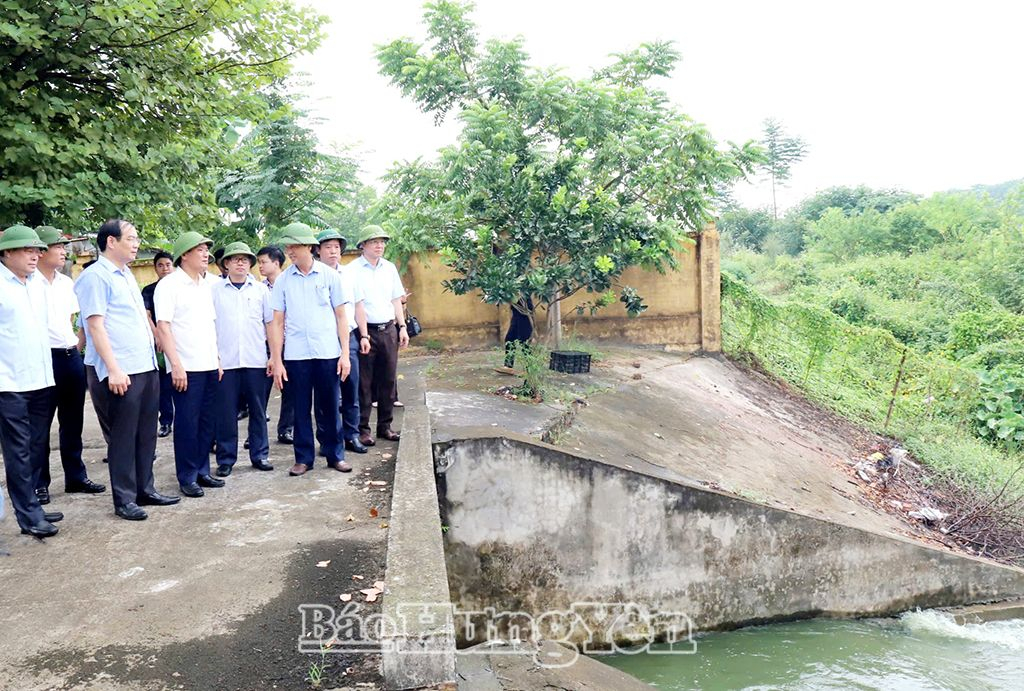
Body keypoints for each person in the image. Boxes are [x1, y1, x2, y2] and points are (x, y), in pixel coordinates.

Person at [75, 219, 180, 521]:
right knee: (122, 437)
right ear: (111, 241)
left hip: (144, 365)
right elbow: (95, 325)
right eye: (131, 238)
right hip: (120, 369)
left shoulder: (125, 275)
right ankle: (124, 498)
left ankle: (145, 489)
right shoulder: (96, 276)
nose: (136, 243)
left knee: (146, 432)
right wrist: (114, 368)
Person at [268, 223, 352, 476]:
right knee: (300, 408)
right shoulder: (283, 280)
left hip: (327, 353)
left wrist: (345, 354)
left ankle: (335, 454)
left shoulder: (330, 277)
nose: (290, 251)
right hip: (296, 356)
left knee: (329, 406)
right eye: (288, 246)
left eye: (294, 246)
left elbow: (341, 317)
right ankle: (303, 458)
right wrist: (277, 360)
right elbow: (277, 322)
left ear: (309, 247)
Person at [33, 226, 106, 503]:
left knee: (72, 421)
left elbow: (80, 320)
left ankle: (75, 476)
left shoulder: (66, 283)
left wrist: (77, 346)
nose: (64, 252)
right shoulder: (27, 283)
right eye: (58, 247)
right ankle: (40, 482)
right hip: (43, 358)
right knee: (40, 424)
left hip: (69, 357)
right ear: (41, 251)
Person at [0, 225, 64, 537]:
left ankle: (33, 505)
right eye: (27, 250)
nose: (35, 255)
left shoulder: (37, 283)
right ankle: (28, 516)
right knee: (19, 451)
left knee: (38, 446)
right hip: (9, 383)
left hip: (41, 378)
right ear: (7, 252)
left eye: (37, 250)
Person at [154, 231, 224, 498]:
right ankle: (187, 476)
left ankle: (203, 471)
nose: (206, 254)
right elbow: (164, 327)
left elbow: (211, 326)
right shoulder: (169, 285)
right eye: (200, 250)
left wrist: (217, 359)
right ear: (185, 254)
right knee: (187, 422)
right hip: (185, 366)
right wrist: (176, 364)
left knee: (207, 421)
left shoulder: (208, 285)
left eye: (207, 249)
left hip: (208, 363)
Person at [212, 242, 274, 476]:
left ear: (250, 264)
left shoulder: (260, 291)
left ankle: (260, 454)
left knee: (258, 410)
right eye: (235, 259)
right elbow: (210, 326)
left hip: (256, 361)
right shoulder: (214, 291)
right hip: (225, 363)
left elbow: (270, 324)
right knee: (226, 412)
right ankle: (226, 459)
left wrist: (272, 356)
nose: (240, 263)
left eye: (245, 259)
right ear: (226, 264)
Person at [349, 225, 408, 446]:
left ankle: (385, 425)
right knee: (364, 383)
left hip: (389, 330)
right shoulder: (353, 269)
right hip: (365, 332)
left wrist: (402, 327)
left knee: (388, 379)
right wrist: (363, 335)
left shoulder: (389, 268)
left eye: (382, 242)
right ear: (362, 245)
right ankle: (363, 428)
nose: (379, 245)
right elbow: (357, 304)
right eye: (374, 242)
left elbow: (396, 299)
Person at [316, 228, 369, 455]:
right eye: (328, 247)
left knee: (351, 389)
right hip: (323, 340)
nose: (333, 251)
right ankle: (327, 439)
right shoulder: (314, 274)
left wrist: (364, 335)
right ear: (318, 251)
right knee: (325, 393)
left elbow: (358, 306)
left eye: (336, 247)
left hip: (349, 336)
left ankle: (352, 435)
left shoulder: (349, 275)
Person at [257, 245, 294, 444]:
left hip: (289, 342)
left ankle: (286, 429)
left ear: (276, 263)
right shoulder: (259, 288)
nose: (260, 266)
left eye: (264, 262)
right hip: (265, 344)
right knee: (261, 390)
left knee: (289, 389)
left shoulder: (290, 283)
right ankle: (258, 432)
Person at [141, 250, 175, 437]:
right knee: (163, 385)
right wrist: (158, 336)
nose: (164, 268)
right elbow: (147, 315)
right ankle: (166, 421)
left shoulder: (180, 287)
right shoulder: (149, 290)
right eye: (160, 265)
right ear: (155, 268)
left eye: (168, 265)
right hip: (159, 342)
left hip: (180, 341)